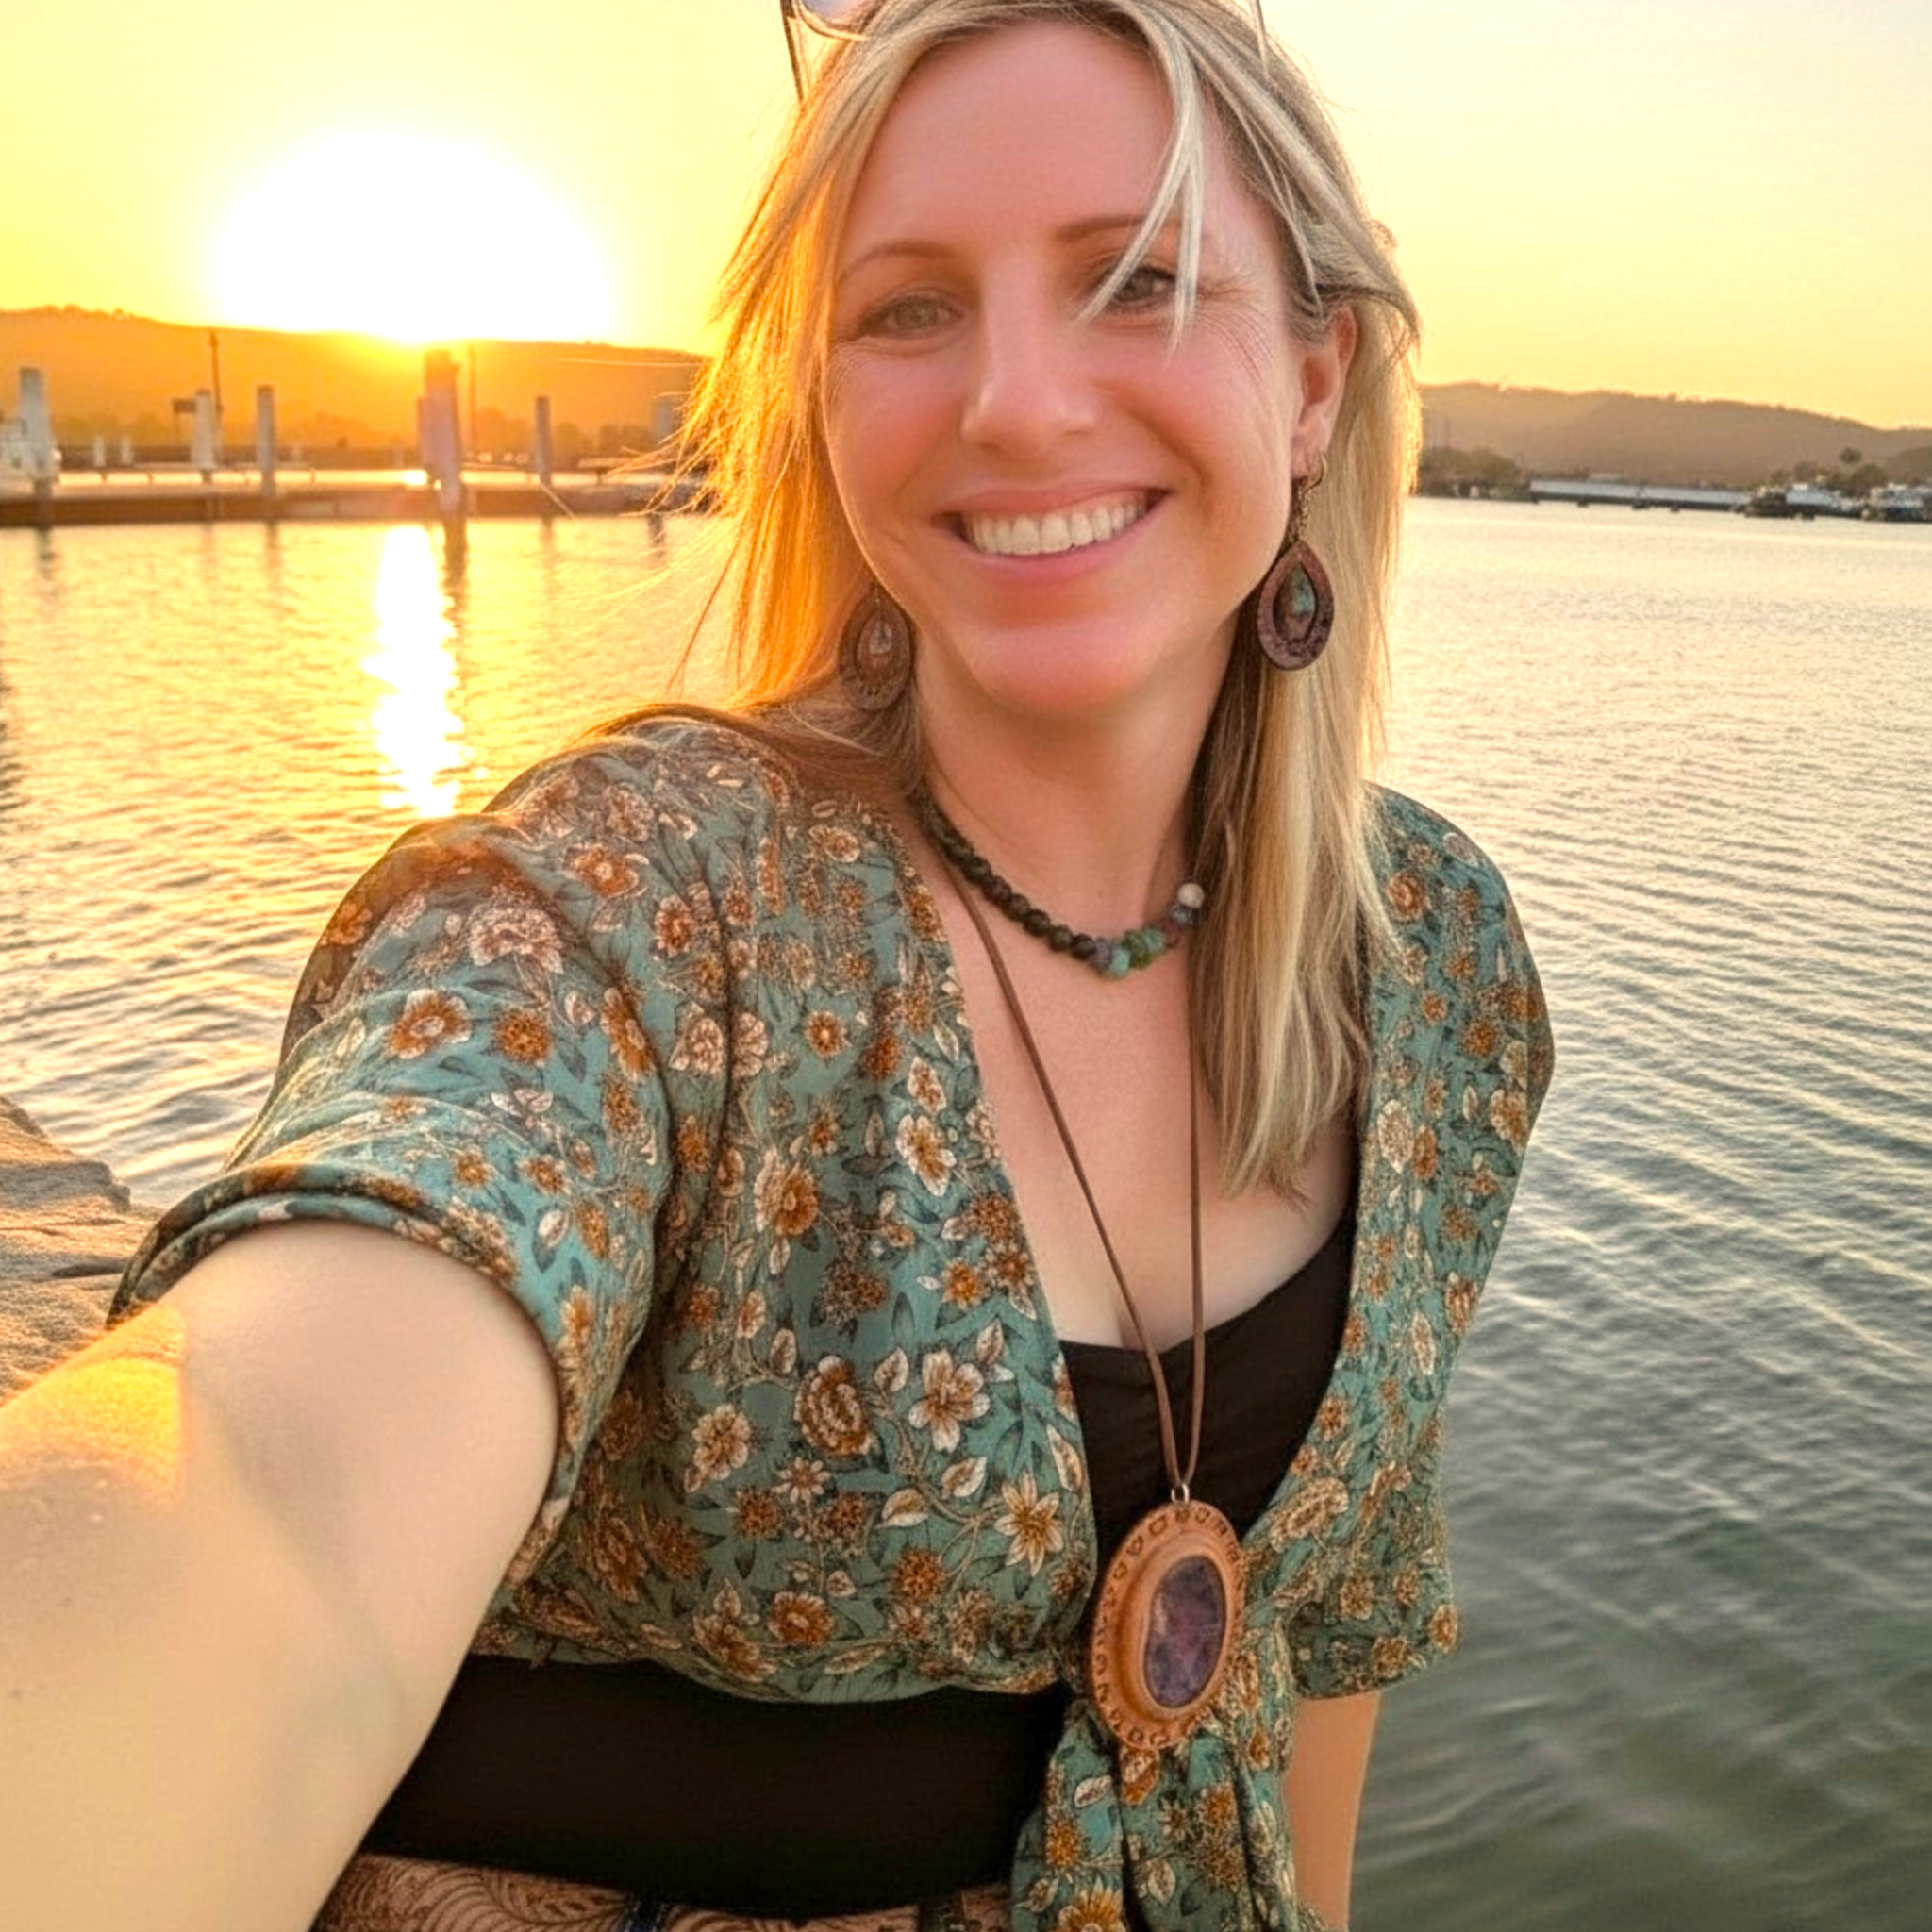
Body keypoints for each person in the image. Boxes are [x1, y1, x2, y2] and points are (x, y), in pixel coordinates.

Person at [0, 3, 1553, 1928]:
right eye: (907, 310)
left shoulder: (1441, 970)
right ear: (818, 399)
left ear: (1314, 378)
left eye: (1134, 280)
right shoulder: (635, 907)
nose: (1011, 399)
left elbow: (1317, 1640)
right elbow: (275, 1483)